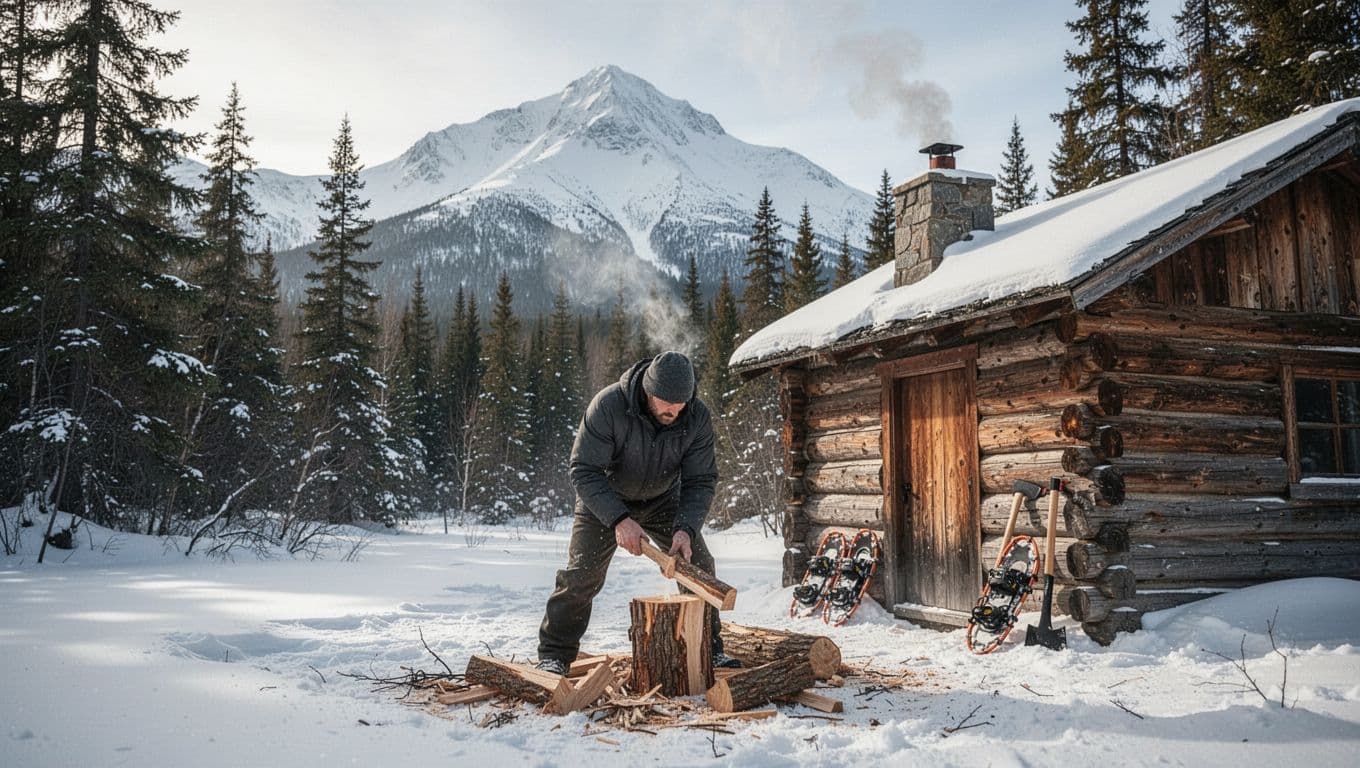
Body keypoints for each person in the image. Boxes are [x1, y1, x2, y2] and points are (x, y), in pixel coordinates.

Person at [536, 351, 740, 674]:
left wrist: (686, 527)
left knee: (697, 563)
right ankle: (555, 655)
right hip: (605, 498)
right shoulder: (608, 407)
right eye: (665, 403)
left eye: (679, 404)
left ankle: (709, 649)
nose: (672, 411)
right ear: (648, 391)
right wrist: (618, 519)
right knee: (582, 575)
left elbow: (701, 480)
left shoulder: (696, 417)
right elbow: (583, 470)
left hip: (663, 500)